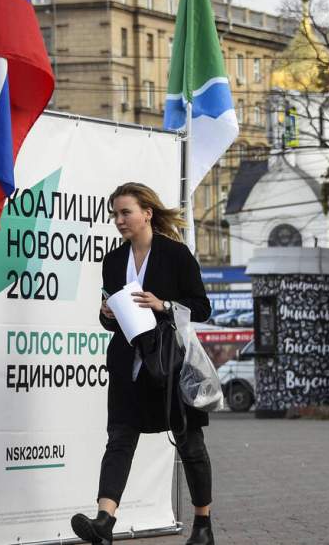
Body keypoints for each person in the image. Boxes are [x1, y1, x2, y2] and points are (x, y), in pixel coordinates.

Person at [71, 182, 214, 545]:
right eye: (115, 214)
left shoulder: (176, 255)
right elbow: (109, 320)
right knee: (119, 440)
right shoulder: (113, 260)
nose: (119, 220)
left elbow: (202, 307)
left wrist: (163, 305)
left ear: (146, 213)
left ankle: (202, 525)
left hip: (169, 366)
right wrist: (106, 313)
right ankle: (104, 522)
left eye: (125, 213)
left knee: (190, 444)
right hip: (127, 366)